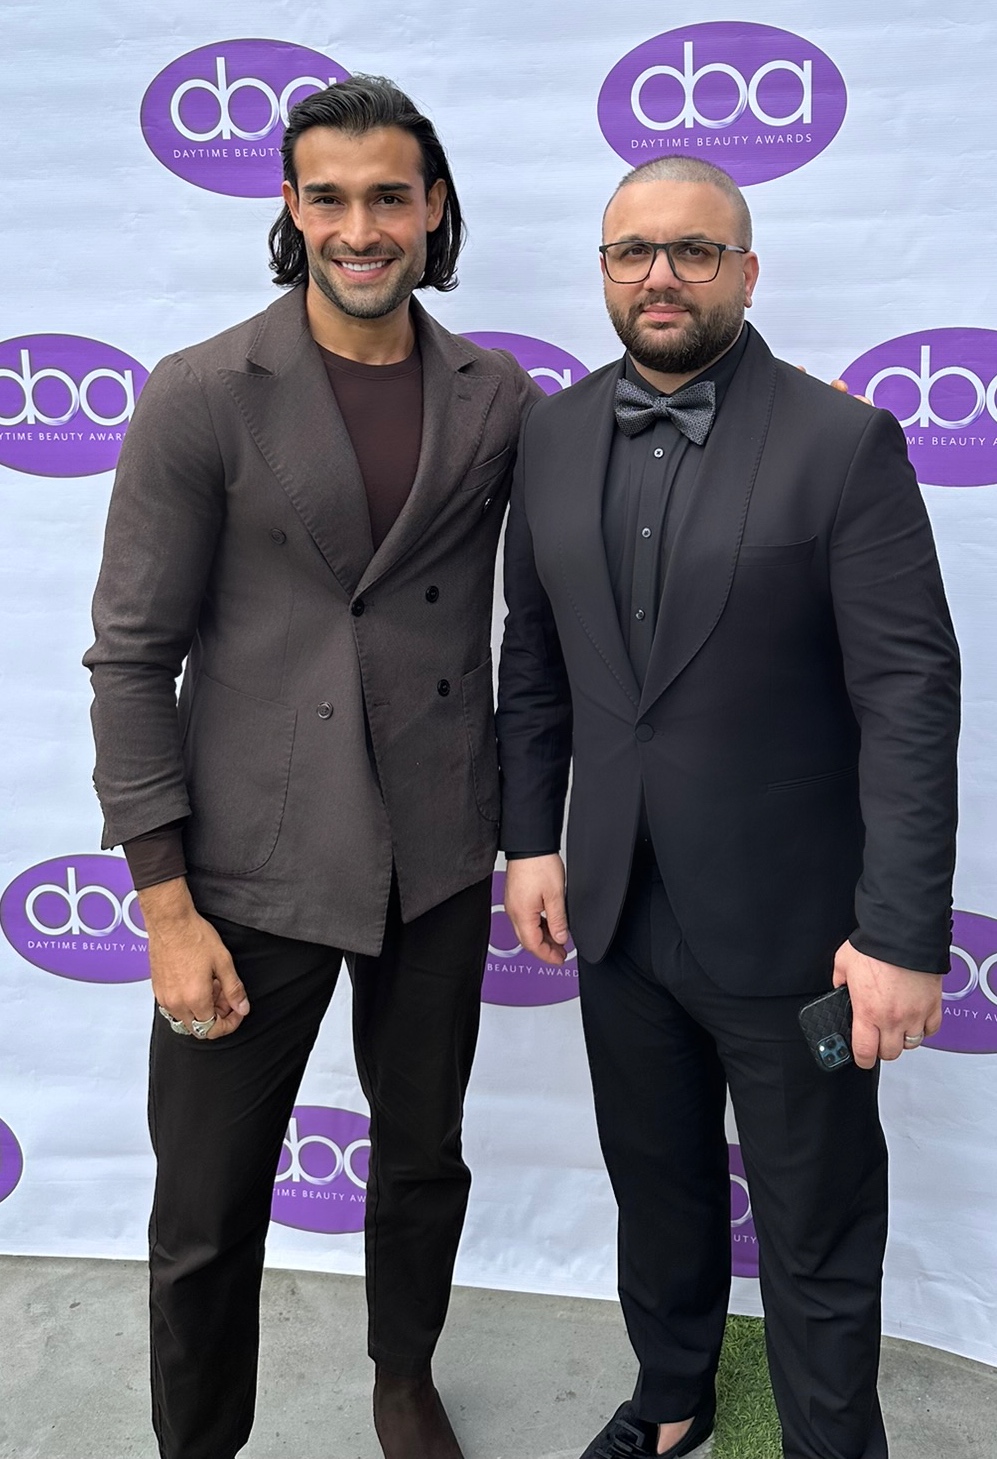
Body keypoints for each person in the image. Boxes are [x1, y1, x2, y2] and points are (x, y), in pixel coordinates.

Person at [84, 76, 537, 1459]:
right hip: (245, 870)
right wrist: (166, 907)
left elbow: (609, 498)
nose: (360, 228)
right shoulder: (202, 392)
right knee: (206, 1205)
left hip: (435, 853)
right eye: (329, 198)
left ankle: (404, 1376)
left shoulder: (497, 396)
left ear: (433, 208)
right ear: (291, 207)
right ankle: (197, 1445)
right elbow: (129, 659)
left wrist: (783, 422)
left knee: (422, 1158)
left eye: (388, 196)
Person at [497, 156, 959, 1459]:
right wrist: (530, 838)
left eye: (693, 251)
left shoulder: (841, 443)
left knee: (816, 1221)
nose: (660, 275)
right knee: (657, 1186)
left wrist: (901, 932)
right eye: (631, 251)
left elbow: (908, 700)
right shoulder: (548, 435)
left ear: (745, 273)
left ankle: (829, 1445)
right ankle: (670, 1399)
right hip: (615, 909)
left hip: (797, 934)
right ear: (603, 272)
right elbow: (534, 658)